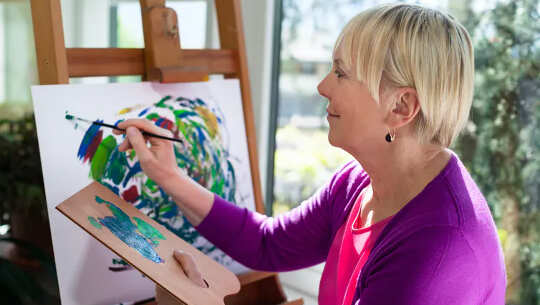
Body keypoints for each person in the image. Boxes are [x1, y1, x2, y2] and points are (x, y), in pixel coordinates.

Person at [114, 3, 506, 305]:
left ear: (401, 108)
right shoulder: (358, 181)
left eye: (341, 73)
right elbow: (266, 243)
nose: (322, 86)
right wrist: (169, 177)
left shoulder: (438, 247)